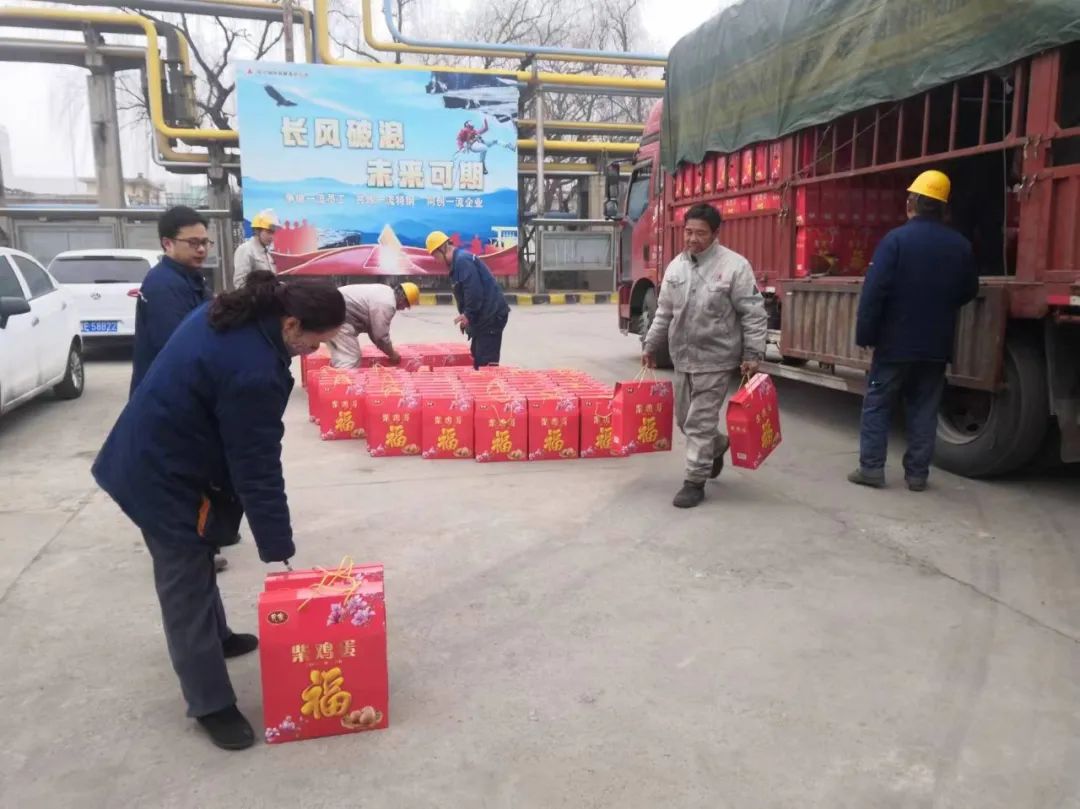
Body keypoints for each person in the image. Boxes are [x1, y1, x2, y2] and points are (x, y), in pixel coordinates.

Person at [92, 271, 346, 750]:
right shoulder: (253, 369)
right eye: (315, 343)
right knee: (185, 583)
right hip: (159, 475)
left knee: (202, 550)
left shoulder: (239, 315)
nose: (313, 352)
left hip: (171, 452)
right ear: (291, 324)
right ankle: (210, 703)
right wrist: (278, 545)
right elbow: (256, 466)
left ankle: (220, 636)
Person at [848, 170, 979, 491]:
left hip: (894, 343)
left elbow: (874, 292)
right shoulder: (960, 245)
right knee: (925, 408)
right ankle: (918, 475)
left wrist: (865, 334)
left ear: (913, 203)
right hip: (936, 344)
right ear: (943, 207)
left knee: (878, 403)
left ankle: (871, 469)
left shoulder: (895, 241)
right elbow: (969, 290)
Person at [642, 203, 768, 509]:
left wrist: (753, 352)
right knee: (684, 420)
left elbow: (753, 313)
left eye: (700, 233)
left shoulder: (735, 266)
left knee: (699, 423)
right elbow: (664, 312)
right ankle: (718, 444)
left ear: (715, 233)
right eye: (688, 232)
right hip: (683, 357)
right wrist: (650, 345)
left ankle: (694, 482)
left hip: (717, 357)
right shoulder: (676, 267)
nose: (692, 238)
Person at [131, 206, 212, 396]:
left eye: (204, 242)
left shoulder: (191, 277)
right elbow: (177, 350)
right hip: (166, 396)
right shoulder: (162, 285)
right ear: (167, 244)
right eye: (193, 243)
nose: (201, 249)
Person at [426, 231, 510, 369]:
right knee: (476, 358)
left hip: (491, 316)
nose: (436, 260)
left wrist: (468, 315)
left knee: (485, 363)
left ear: (442, 248)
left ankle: (489, 381)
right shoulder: (457, 262)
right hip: (483, 316)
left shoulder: (462, 261)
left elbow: (474, 291)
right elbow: (467, 293)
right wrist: (468, 318)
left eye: (435, 256)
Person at [328, 281, 420, 368]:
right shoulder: (387, 303)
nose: (404, 308)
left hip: (331, 308)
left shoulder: (385, 291)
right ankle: (342, 379)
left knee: (341, 356)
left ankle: (334, 375)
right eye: (407, 305)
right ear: (403, 299)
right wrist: (392, 354)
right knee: (350, 359)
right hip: (336, 314)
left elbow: (374, 332)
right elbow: (380, 336)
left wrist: (388, 351)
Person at [233, 209, 278, 288]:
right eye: (268, 232)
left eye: (273, 233)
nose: (271, 236)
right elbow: (240, 283)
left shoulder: (267, 253)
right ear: (257, 231)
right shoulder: (245, 250)